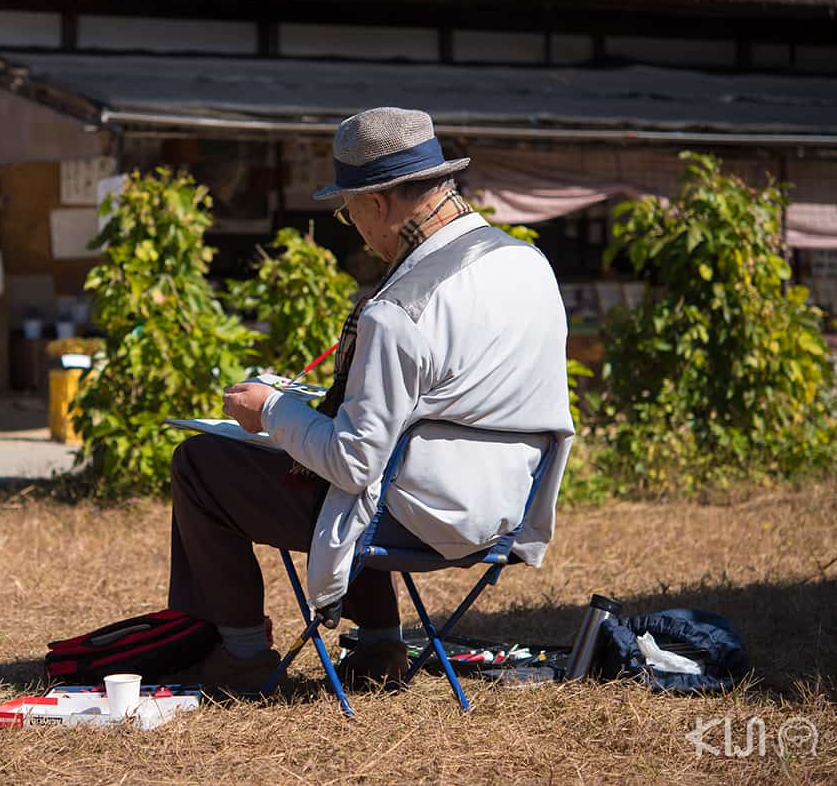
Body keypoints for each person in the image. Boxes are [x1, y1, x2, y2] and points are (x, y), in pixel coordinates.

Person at [167, 107, 575, 692]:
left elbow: (354, 464)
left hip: (415, 519)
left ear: (378, 204)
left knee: (200, 463)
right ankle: (380, 646)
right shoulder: (527, 264)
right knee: (357, 454)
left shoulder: (398, 309)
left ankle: (242, 653)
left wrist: (273, 412)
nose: (353, 227)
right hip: (505, 507)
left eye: (348, 211)